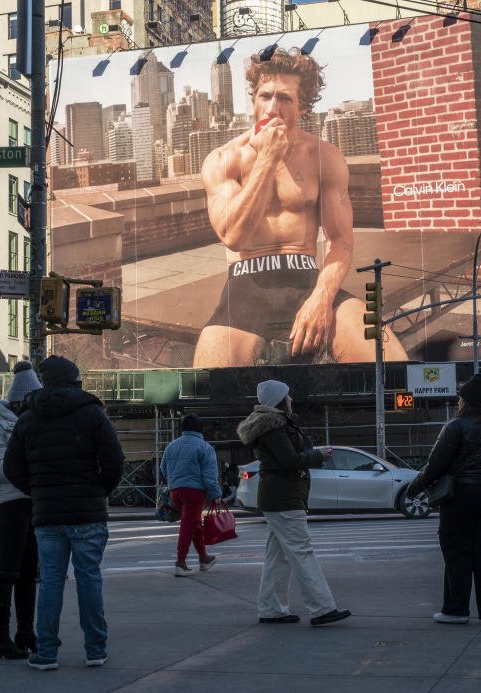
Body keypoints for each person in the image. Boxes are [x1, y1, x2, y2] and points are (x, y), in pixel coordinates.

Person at [195, 47, 408, 367]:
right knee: (206, 390)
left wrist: (321, 300)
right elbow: (232, 235)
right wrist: (267, 157)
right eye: (264, 96)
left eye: (284, 99)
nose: (271, 108)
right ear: (253, 99)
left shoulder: (324, 157)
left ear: (304, 106)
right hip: (247, 282)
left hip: (307, 278)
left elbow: (341, 241)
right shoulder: (225, 159)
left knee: (392, 366)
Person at [5, 356, 125, 671]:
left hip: (47, 514)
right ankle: (95, 650)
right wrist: (100, 490)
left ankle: (46, 653)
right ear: (74, 380)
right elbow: (114, 460)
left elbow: (11, 467)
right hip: (88, 512)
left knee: (51, 583)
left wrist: (37, 492)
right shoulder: (92, 412)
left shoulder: (28, 418)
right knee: (89, 580)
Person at [236, 380, 350, 626]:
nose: (291, 400)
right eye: (288, 396)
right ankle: (322, 608)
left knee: (278, 557)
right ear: (279, 399)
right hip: (284, 497)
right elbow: (289, 460)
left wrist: (310, 453)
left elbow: (287, 457)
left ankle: (271, 609)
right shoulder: (274, 427)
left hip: (278, 496)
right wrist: (317, 455)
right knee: (302, 550)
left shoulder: (274, 425)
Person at [406, 372, 481, 624]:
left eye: (460, 399)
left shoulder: (456, 426)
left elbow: (435, 465)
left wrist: (413, 489)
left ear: (466, 401)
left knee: (457, 552)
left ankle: (455, 610)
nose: (458, 403)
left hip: (462, 496)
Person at [0, 362, 42, 659]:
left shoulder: (25, 424)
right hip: (9, 505)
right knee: (7, 571)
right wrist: (30, 465)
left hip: (29, 501)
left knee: (28, 573)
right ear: (20, 402)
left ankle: (25, 633)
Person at [159, 413, 222, 576]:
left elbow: (163, 468)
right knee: (188, 525)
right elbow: (209, 475)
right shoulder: (204, 447)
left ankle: (204, 558)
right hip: (194, 492)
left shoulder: (171, 446)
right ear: (200, 428)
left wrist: (174, 479)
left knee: (195, 525)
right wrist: (216, 494)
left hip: (175, 492)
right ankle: (180, 563)